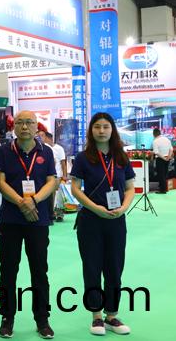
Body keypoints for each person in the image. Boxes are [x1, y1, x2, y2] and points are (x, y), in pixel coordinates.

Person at [70, 112, 136, 336]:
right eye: (97, 127)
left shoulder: (121, 157)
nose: (101, 131)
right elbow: (75, 189)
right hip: (91, 220)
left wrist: (123, 208)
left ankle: (112, 315)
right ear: (91, 130)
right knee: (92, 267)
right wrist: (95, 208)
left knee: (115, 267)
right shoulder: (83, 158)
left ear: (112, 130)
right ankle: (96, 316)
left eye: (106, 126)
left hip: (117, 220)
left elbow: (130, 188)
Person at [0, 111, 56, 339]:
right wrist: (21, 202)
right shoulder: (3, 151)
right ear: (14, 127)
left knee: (39, 270)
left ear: (36, 127)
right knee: (8, 270)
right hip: (10, 219)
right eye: (19, 122)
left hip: (37, 219)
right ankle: (7, 318)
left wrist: (34, 200)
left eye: (29, 123)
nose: (24, 127)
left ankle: (42, 319)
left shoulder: (46, 152)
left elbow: (52, 181)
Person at [38, 131, 67, 221]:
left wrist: (64, 175)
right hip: (45, 176)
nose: (40, 138)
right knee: (49, 195)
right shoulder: (40, 148)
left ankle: (57, 213)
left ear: (48, 138)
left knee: (56, 196)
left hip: (56, 176)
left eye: (42, 136)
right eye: (38, 136)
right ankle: (50, 213)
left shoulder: (57, 148)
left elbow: (63, 163)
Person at [151, 128, 173, 194]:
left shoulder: (155, 141)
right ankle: (164, 188)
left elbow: (156, 152)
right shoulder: (166, 139)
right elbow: (171, 149)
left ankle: (162, 189)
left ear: (154, 134)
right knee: (165, 174)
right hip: (167, 158)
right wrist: (168, 157)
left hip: (160, 159)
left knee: (161, 174)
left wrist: (163, 158)